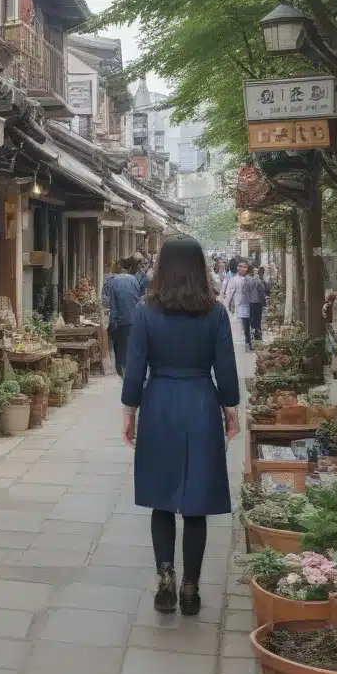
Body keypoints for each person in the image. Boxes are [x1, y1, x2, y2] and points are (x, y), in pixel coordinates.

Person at [121, 235, 240, 615]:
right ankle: (191, 587)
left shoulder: (145, 310)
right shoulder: (216, 312)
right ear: (200, 267)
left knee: (161, 498)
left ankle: (165, 580)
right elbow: (226, 369)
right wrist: (230, 409)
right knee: (196, 504)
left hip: (159, 404)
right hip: (201, 403)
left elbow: (135, 367)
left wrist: (129, 412)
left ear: (162, 267)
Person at [104, 257, 143, 375]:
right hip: (134, 318)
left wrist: (111, 323)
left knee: (119, 347)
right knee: (131, 346)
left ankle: (121, 371)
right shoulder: (135, 280)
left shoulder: (110, 281)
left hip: (119, 321)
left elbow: (108, 303)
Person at [224, 261, 256, 350]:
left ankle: (249, 340)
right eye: (240, 266)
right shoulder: (233, 279)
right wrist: (227, 304)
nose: (242, 268)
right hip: (239, 305)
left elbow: (254, 291)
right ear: (237, 268)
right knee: (244, 324)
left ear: (247, 268)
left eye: (244, 266)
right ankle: (248, 340)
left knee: (249, 324)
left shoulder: (251, 279)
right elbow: (229, 293)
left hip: (250, 305)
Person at [248, 264, 266, 344]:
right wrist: (264, 303)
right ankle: (257, 333)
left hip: (250, 303)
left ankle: (251, 333)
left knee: (252, 319)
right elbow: (261, 293)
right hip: (257, 303)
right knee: (258, 319)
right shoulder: (257, 280)